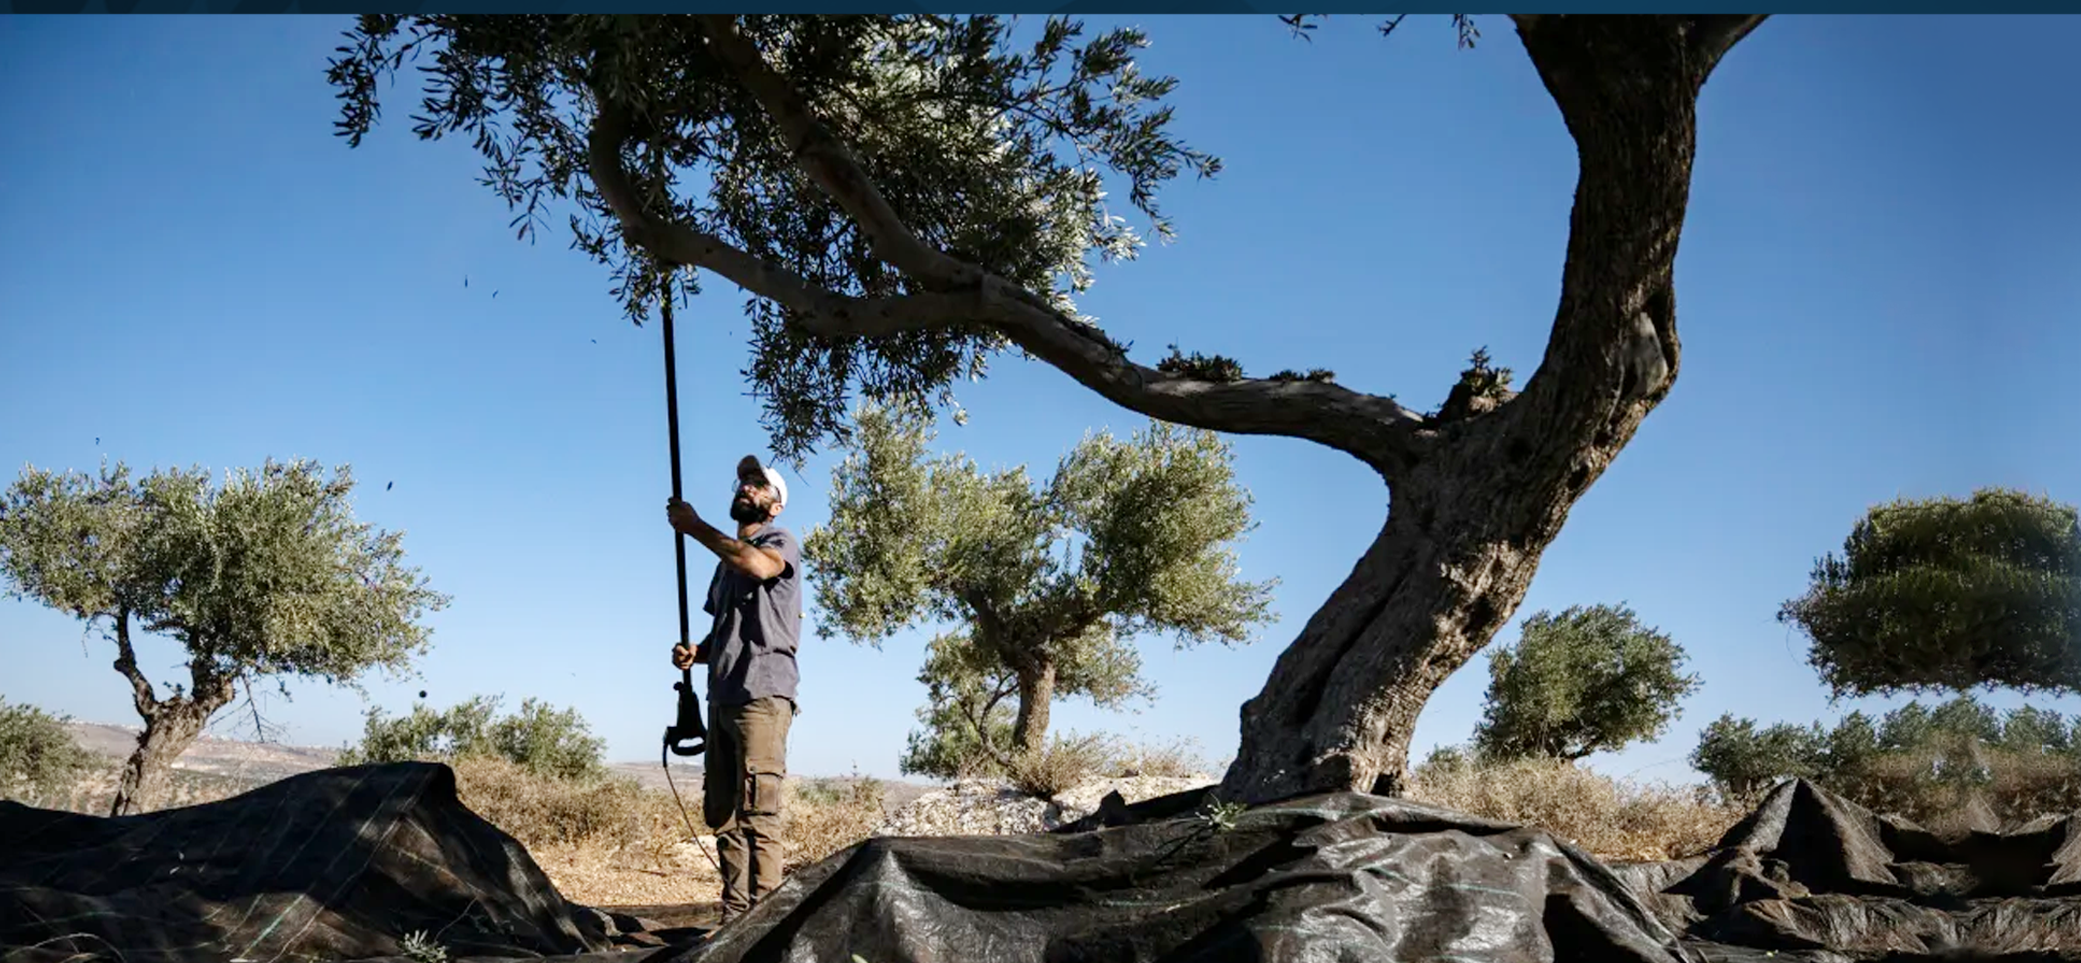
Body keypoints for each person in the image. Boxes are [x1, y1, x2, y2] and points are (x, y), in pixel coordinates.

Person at [666, 454, 802, 923]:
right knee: (723, 816)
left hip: (761, 695)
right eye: (744, 480)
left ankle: (764, 926)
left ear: (775, 505)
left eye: (759, 484)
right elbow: (727, 629)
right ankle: (734, 920)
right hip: (722, 695)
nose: (747, 487)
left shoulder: (778, 541)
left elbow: (759, 567)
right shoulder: (726, 564)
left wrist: (694, 526)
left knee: (759, 814)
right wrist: (696, 653)